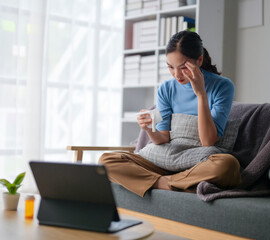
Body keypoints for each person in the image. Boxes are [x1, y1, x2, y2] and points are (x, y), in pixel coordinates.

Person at [99, 31, 241, 197]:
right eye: (170, 67)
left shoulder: (222, 86)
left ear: (199, 60)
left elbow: (208, 141)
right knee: (106, 161)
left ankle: (165, 181)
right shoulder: (166, 88)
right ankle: (169, 183)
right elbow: (164, 138)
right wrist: (149, 129)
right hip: (164, 159)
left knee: (228, 166)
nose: (176, 74)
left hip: (197, 161)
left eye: (183, 68)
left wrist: (201, 93)